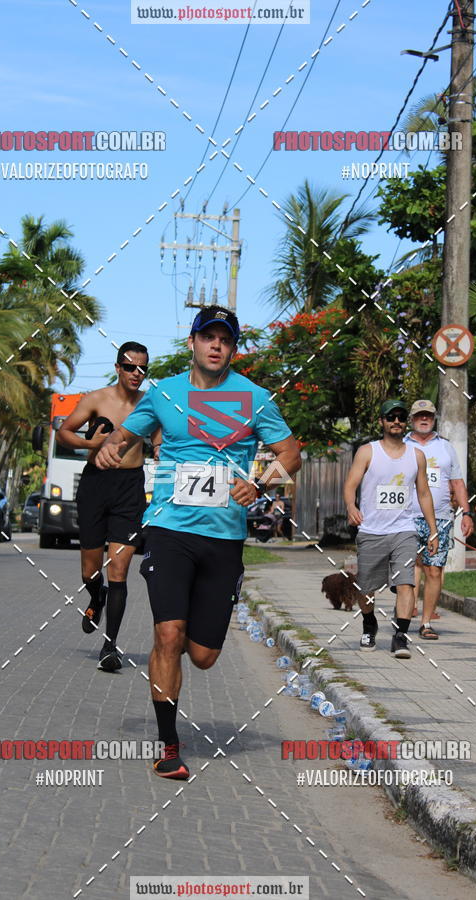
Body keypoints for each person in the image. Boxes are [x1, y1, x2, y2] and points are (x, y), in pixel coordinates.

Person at [96, 305, 301, 778]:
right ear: (191, 342)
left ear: (232, 348)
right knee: (168, 635)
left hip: (224, 538)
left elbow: (291, 452)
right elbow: (130, 432)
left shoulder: (254, 398)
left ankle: (183, 639)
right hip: (169, 531)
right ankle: (168, 746)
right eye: (207, 337)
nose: (215, 346)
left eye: (224, 340)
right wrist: (113, 446)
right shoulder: (165, 393)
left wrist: (263, 482)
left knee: (204, 656)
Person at [56, 342, 161, 672]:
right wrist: (91, 443)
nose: (136, 373)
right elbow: (64, 433)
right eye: (130, 367)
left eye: (142, 368)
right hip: (95, 484)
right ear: (118, 368)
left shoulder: (150, 405)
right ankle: (95, 595)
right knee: (91, 571)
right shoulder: (96, 399)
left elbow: (159, 442)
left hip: (130, 488)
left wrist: (163, 452)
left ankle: (110, 646)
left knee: (119, 569)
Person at [343, 399, 439, 659]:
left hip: (404, 530)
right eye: (391, 417)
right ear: (382, 422)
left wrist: (433, 530)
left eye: (400, 416)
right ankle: (369, 623)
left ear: (405, 421)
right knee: (366, 587)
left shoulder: (416, 455)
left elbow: (424, 493)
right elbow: (351, 484)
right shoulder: (367, 451)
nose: (396, 421)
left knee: (406, 582)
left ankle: (400, 637)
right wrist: (351, 506)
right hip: (372, 530)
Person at [404, 399, 474, 639]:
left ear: (434, 419)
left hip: (441, 518)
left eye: (429, 416)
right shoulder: (401, 445)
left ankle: (426, 623)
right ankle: (403, 616)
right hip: (406, 517)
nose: (424, 420)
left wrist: (466, 512)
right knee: (407, 569)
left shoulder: (445, 447)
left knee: (434, 571)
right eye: (419, 416)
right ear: (411, 419)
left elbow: (457, 482)